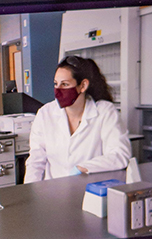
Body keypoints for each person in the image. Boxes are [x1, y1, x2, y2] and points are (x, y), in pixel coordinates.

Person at [24, 55, 132, 183]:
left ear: (83, 85)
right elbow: (36, 160)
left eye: (65, 84)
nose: (58, 90)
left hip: (91, 189)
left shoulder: (104, 111)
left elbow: (120, 154)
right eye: (56, 84)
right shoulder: (45, 113)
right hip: (54, 190)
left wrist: (83, 168)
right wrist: (30, 191)